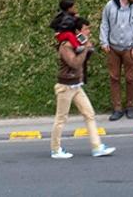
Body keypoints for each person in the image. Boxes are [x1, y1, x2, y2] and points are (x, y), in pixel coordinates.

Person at [49, 13, 115, 159]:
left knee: (89, 114)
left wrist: (87, 50)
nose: (88, 31)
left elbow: (82, 61)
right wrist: (85, 49)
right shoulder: (66, 46)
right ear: (77, 31)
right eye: (86, 29)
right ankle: (55, 149)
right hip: (66, 86)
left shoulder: (76, 43)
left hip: (76, 85)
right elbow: (74, 63)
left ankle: (97, 147)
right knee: (61, 119)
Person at [99, 0, 133, 121]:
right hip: (113, 48)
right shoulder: (110, 6)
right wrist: (104, 41)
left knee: (130, 78)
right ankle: (117, 108)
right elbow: (104, 24)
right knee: (114, 78)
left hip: (129, 49)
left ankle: (130, 106)